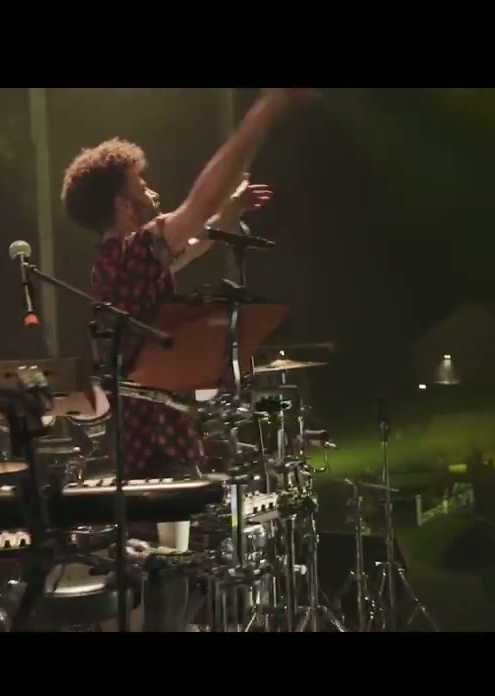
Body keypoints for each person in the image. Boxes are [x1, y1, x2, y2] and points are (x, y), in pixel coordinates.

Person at [61, 89, 310, 485]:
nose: (153, 192)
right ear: (124, 205)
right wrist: (261, 115)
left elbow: (193, 244)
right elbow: (201, 203)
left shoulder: (120, 262)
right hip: (154, 443)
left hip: (154, 435)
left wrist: (229, 212)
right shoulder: (130, 253)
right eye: (142, 185)